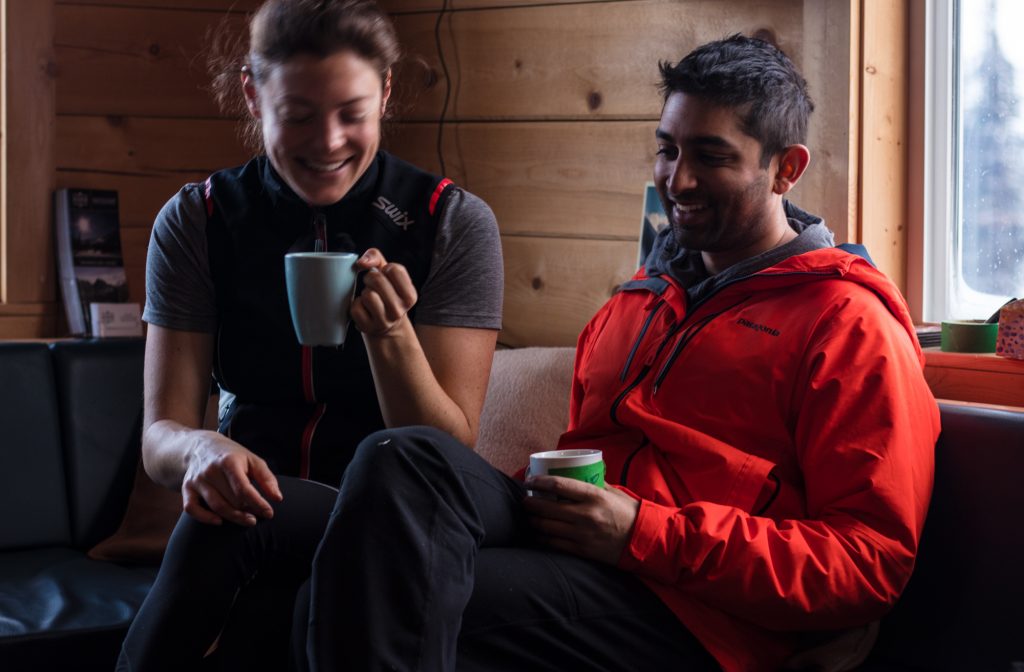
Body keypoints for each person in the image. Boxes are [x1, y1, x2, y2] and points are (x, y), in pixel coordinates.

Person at [122, 33, 940, 672]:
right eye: (667, 148)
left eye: (712, 156)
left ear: (785, 168)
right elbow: (586, 464)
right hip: (582, 547)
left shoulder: (847, 322)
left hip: (686, 611)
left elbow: (869, 561)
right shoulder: (638, 304)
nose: (677, 179)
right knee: (389, 460)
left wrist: (642, 533)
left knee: (348, 595)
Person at [117, 0, 501, 668]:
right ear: (251, 93)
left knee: (230, 539)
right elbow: (160, 439)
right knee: (243, 555)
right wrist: (201, 449)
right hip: (261, 501)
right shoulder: (200, 220)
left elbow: (443, 447)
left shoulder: (448, 222)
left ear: (385, 92)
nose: (328, 142)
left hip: (398, 513)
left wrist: (389, 335)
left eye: (352, 112)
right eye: (298, 115)